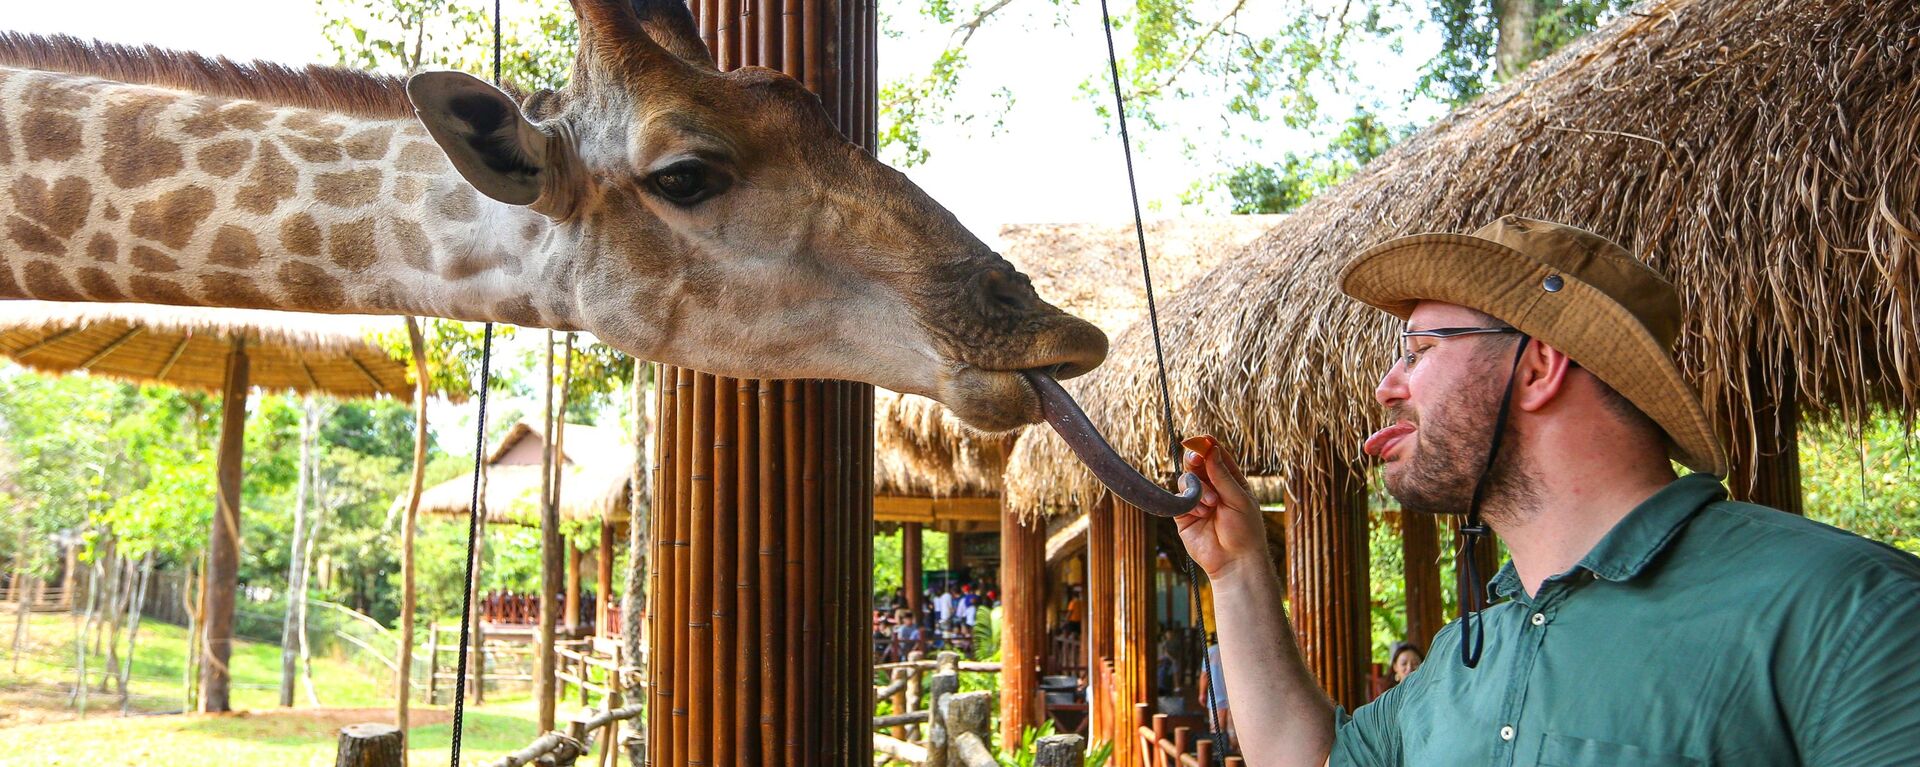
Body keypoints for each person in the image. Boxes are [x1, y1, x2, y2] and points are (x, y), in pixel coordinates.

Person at [1176, 217, 1920, 765]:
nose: (1386, 387)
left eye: (1421, 350)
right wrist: (1238, 570)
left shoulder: (1849, 608)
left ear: (1539, 366)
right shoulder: (1465, 655)